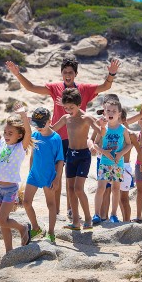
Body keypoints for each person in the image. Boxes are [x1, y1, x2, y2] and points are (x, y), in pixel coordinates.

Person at [5, 57, 121, 220]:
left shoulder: (84, 90)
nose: (68, 75)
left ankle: (71, 210)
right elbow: (31, 87)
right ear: (61, 73)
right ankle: (56, 211)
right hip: (56, 138)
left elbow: (106, 86)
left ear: (75, 74)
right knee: (55, 175)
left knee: (70, 177)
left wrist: (111, 73)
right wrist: (17, 74)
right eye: (65, 72)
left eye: (71, 72)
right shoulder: (55, 88)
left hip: (76, 141)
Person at [0, 99, 34, 253]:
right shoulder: (2, 142)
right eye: (5, 132)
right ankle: (9, 252)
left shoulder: (20, 148)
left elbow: (28, 132)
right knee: (3, 223)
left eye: (11, 133)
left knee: (0, 220)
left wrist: (23, 114)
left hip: (10, 189)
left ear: (19, 135)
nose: (7, 135)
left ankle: (23, 228)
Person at [50, 88, 100, 230]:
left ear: (79, 105)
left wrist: (94, 142)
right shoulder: (66, 118)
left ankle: (88, 219)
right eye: (66, 108)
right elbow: (53, 129)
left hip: (84, 156)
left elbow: (100, 130)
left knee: (78, 189)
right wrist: (42, 125)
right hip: (70, 155)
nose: (68, 110)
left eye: (71, 107)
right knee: (71, 189)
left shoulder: (86, 118)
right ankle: (76, 221)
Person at [23, 107, 64, 244]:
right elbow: (32, 155)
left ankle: (51, 233)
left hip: (49, 176)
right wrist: (30, 172)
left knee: (51, 204)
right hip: (34, 175)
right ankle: (36, 228)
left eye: (41, 125)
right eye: (36, 125)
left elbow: (60, 161)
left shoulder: (56, 138)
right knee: (26, 202)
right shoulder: (34, 136)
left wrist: (57, 179)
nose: (39, 128)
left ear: (49, 121)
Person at [90, 98, 132, 225]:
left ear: (119, 113)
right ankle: (96, 214)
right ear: (104, 112)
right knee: (100, 188)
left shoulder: (122, 129)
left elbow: (129, 145)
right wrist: (104, 152)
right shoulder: (103, 128)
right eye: (108, 110)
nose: (111, 113)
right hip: (104, 162)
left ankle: (114, 214)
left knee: (115, 189)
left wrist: (120, 154)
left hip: (118, 163)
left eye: (114, 111)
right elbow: (96, 144)